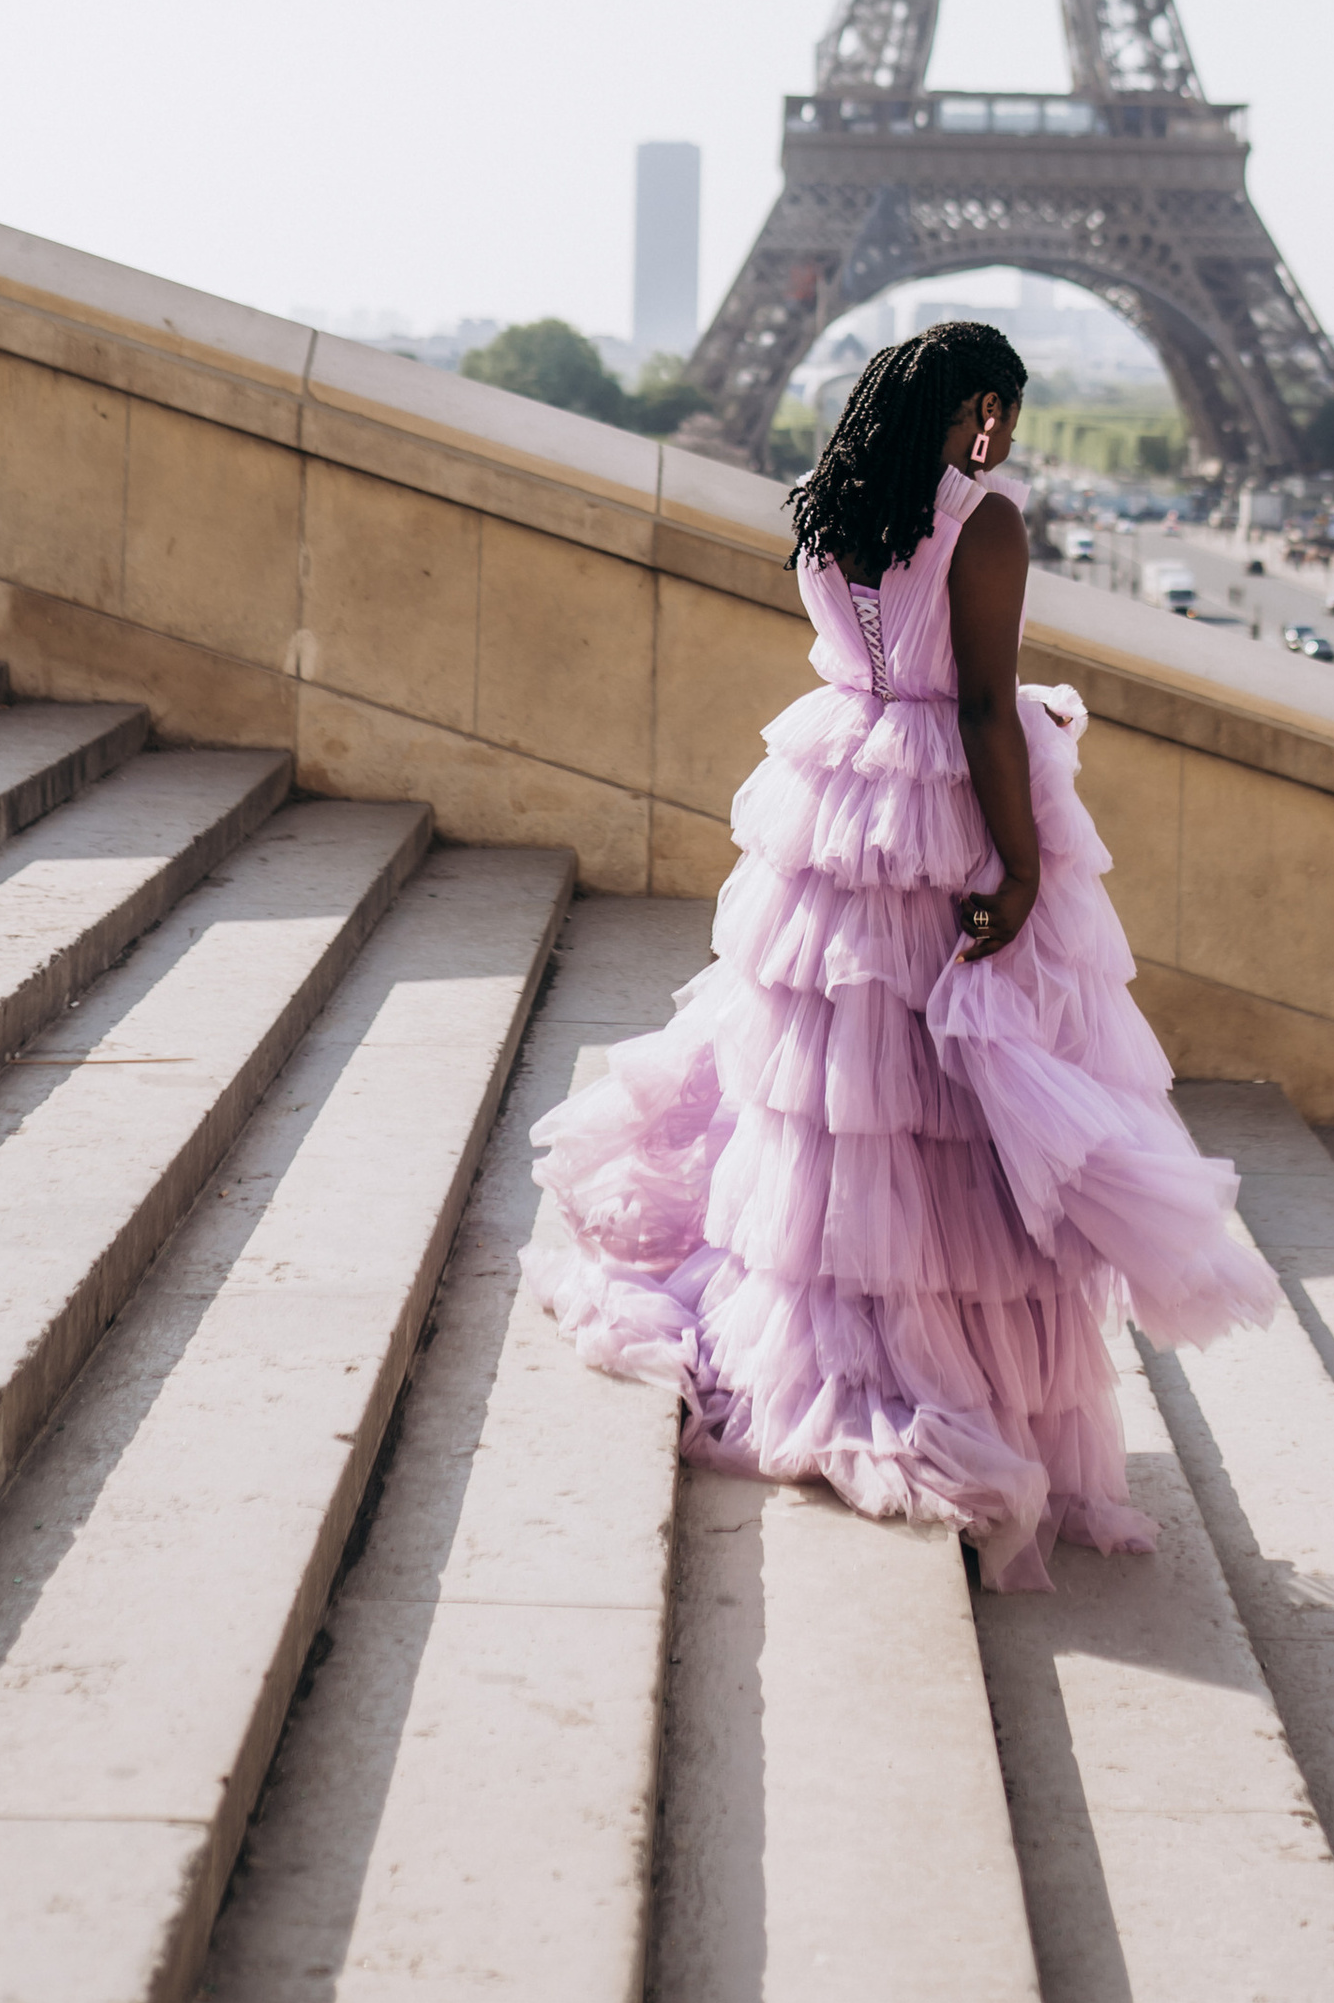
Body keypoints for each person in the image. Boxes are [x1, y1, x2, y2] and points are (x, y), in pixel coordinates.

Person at [530, 318, 1280, 1592]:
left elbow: (883, 663)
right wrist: (1026, 863)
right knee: (948, 1112)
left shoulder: (831, 510)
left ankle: (851, 1346)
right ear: (982, 409)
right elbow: (983, 702)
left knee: (850, 1106)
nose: (1010, 437)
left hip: (841, 798)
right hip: (939, 813)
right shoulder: (981, 516)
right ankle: (954, 1376)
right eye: (1007, 414)